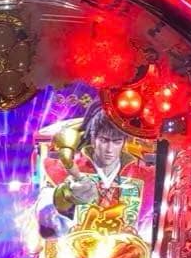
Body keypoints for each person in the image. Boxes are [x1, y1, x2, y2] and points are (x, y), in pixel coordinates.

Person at [37, 102, 154, 239]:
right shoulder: (63, 170)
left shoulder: (144, 177)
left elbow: (151, 224)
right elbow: (44, 218)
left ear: (124, 141)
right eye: (104, 140)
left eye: (117, 141)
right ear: (93, 138)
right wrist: (65, 196)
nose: (109, 149)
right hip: (74, 247)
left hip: (127, 249)